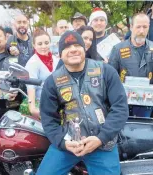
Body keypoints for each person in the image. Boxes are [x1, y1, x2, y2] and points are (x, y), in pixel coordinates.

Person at [36, 31, 129, 175]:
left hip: (103, 143)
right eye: (67, 48)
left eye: (77, 45)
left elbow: (120, 108)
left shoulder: (106, 71)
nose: (73, 49)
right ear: (60, 54)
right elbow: (48, 119)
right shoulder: (52, 81)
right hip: (69, 144)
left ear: (84, 49)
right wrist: (63, 143)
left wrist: (100, 138)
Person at [109, 13, 153, 117]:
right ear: (131, 27)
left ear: (149, 27)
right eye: (138, 27)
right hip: (123, 104)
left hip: (147, 105)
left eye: (145, 27)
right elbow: (110, 78)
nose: (141, 31)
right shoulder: (118, 49)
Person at [23, 29, 59, 118]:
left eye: (46, 43)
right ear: (34, 45)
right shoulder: (32, 63)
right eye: (40, 44)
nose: (44, 46)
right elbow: (31, 86)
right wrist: (32, 108)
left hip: (57, 102)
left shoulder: (56, 60)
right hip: (42, 103)